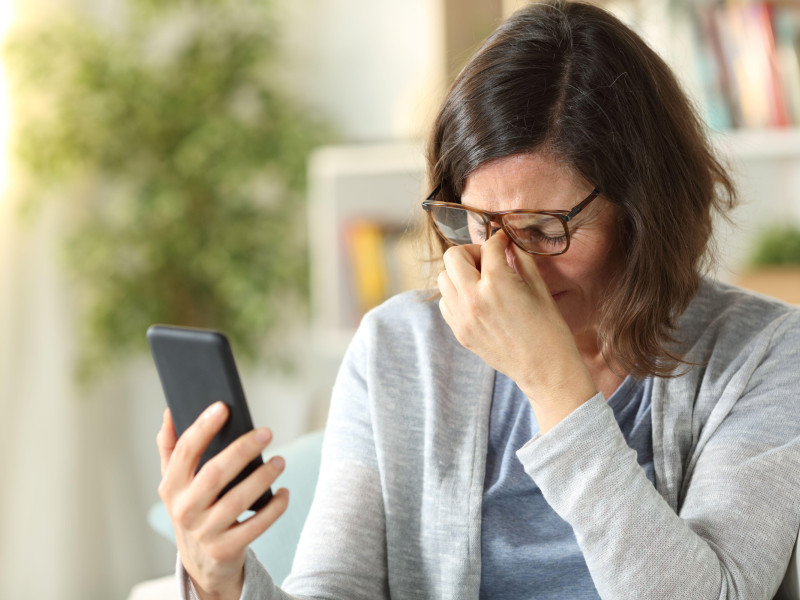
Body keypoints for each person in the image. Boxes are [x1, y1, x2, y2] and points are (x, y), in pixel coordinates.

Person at [156, 1, 800, 599]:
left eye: (546, 228)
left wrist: (551, 379)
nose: (503, 264)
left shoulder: (764, 355)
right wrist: (220, 579)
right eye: (478, 222)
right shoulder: (398, 347)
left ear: (645, 213)